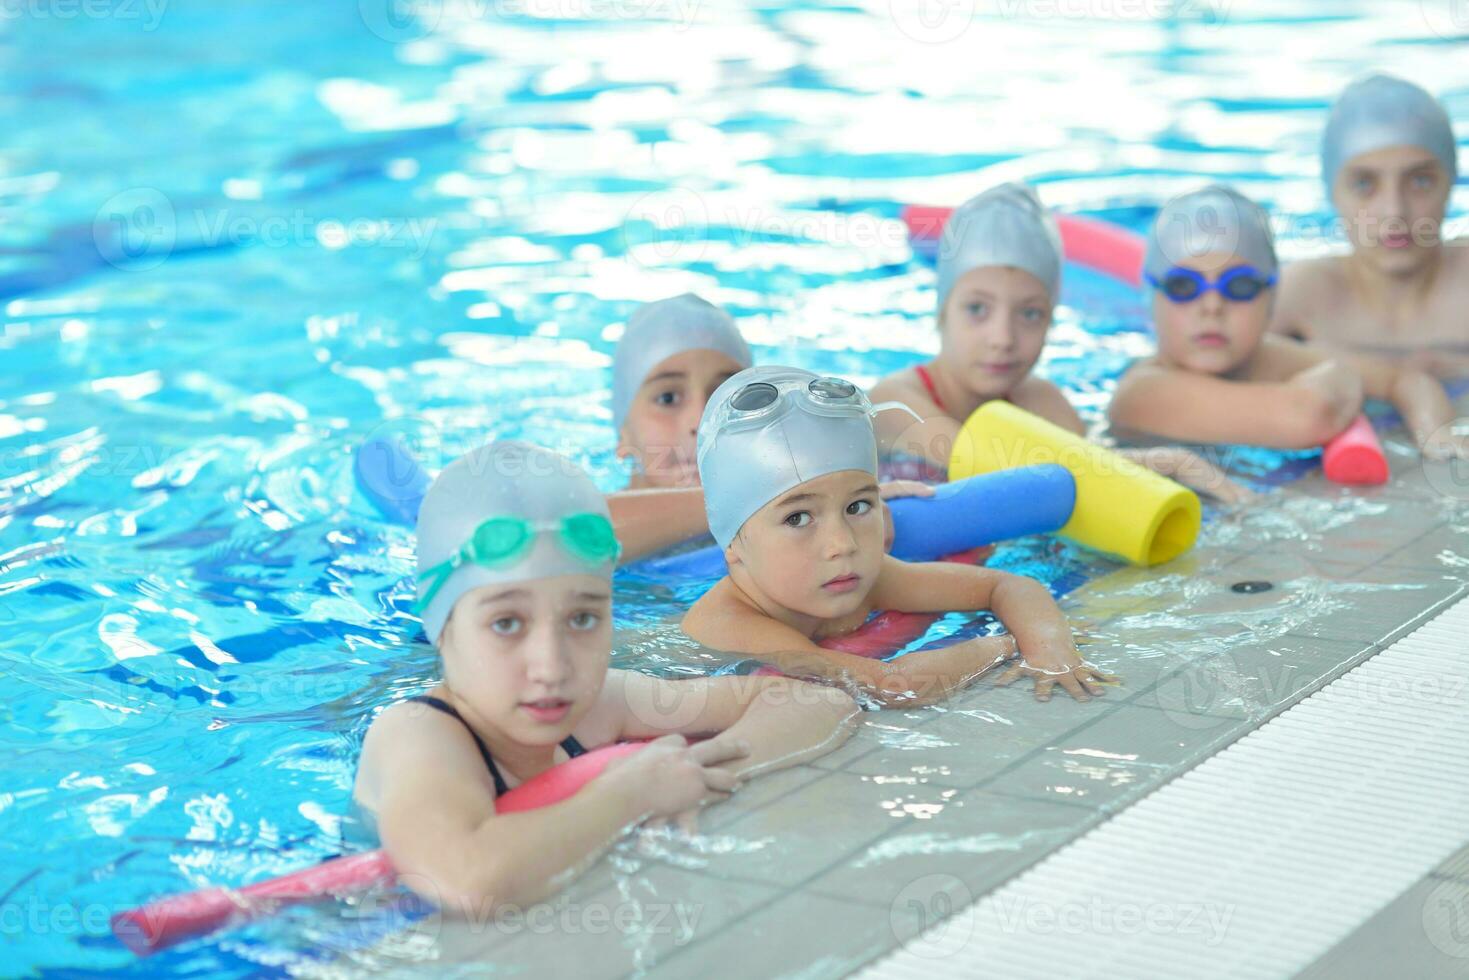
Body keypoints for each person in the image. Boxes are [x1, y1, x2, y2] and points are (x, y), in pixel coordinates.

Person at [354, 441, 857, 912]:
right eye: (506, 624)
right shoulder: (418, 734)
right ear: (439, 627)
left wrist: (698, 772)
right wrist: (627, 795)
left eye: (582, 619)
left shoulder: (599, 704)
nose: (552, 666)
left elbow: (819, 704)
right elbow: (464, 881)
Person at [681, 366, 1113, 708]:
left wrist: (1051, 650)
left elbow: (1007, 585)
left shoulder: (858, 574)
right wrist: (1009, 644)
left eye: (857, 507)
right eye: (797, 518)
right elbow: (893, 687)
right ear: (733, 545)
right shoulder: (733, 626)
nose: (842, 543)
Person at [871, 183, 1253, 503]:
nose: (1003, 339)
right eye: (976, 309)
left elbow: (1095, 480)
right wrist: (1168, 462)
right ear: (941, 312)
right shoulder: (895, 401)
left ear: (1053, 320)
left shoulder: (1040, 400)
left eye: (1030, 314)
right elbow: (983, 465)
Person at [1110, 185, 1469, 459]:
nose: (1212, 305)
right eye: (1183, 286)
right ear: (1150, 299)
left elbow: (1404, 379)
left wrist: (1435, 434)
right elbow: (1310, 415)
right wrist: (1339, 374)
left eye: (1240, 285)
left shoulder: (1268, 356)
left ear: (1271, 299)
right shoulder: (1142, 393)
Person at [1270, 74, 1469, 377]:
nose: (1394, 211)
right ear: (1331, 192)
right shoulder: (1299, 296)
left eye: (1420, 181)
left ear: (1450, 184)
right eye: (1364, 184)